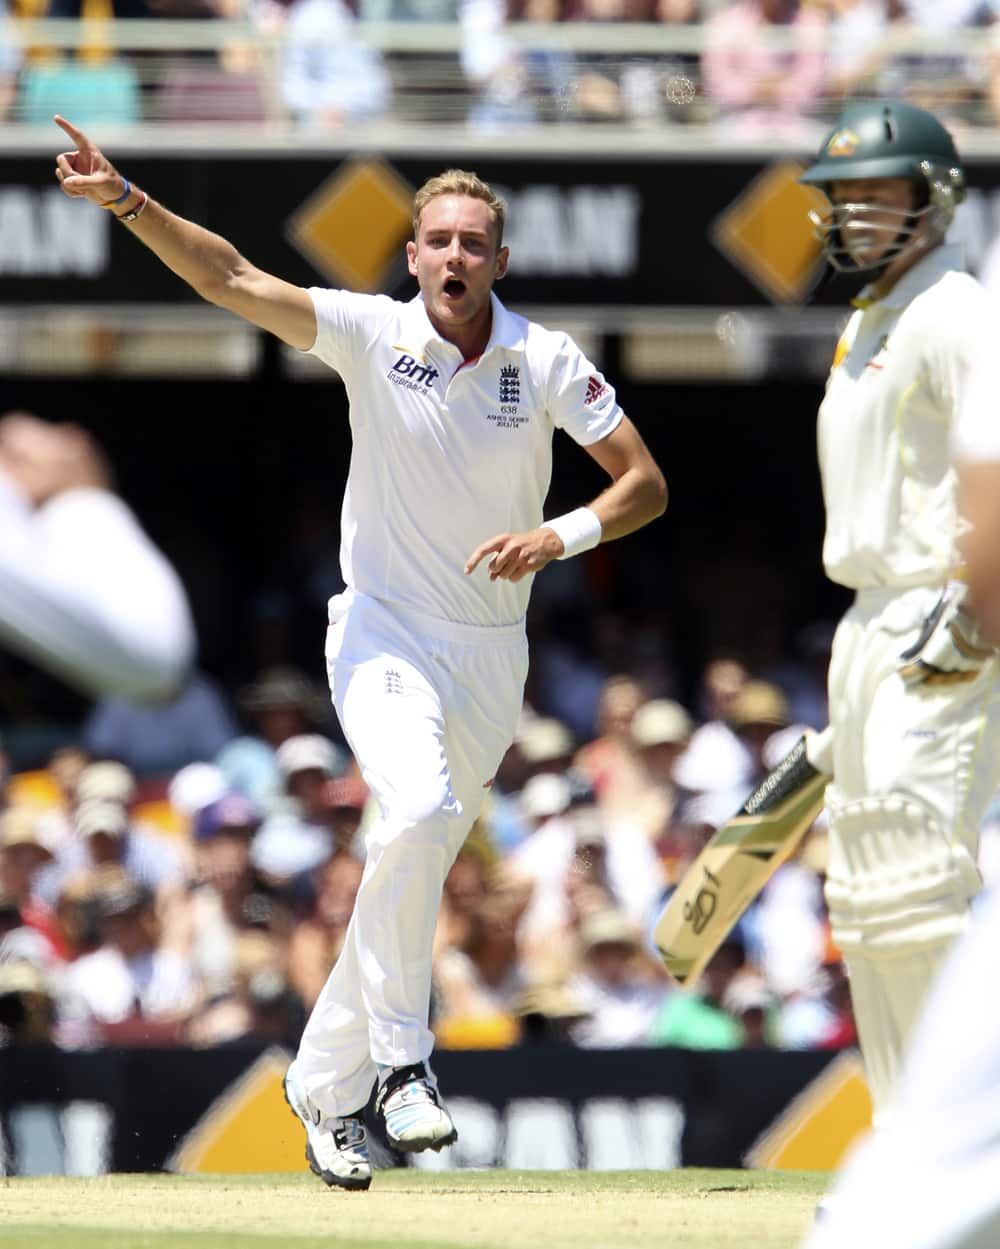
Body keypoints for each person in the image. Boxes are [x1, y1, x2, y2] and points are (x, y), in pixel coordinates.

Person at [53, 118, 667, 1190]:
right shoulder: (372, 334)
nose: (456, 258)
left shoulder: (545, 358)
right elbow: (235, 275)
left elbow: (643, 485)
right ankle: (399, 1066)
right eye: (438, 240)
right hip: (381, 633)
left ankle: (319, 1088)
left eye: (475, 242)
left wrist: (555, 536)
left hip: (491, 653)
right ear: (414, 254)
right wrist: (127, 203)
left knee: (411, 856)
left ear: (499, 260)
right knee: (420, 815)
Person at [796, 99, 1000, 1121]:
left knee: (922, 883)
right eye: (842, 197)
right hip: (869, 622)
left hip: (942, 611)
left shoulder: (958, 310)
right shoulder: (869, 319)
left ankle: (970, 1167)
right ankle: (901, 1161)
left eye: (877, 195)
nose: (853, 216)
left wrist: (974, 610)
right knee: (864, 896)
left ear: (934, 198)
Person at [0, 411, 194, 702]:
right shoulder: (79, 513)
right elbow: (155, 658)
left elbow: (156, 659)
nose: (71, 434)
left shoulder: (77, 519)